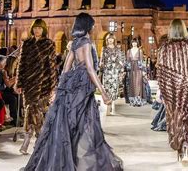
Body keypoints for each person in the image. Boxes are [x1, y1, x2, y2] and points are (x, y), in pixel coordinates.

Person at [24, 13, 123, 170]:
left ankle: (68, 161)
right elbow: (90, 69)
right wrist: (103, 92)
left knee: (67, 125)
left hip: (71, 87)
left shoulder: (75, 43)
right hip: (82, 87)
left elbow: (65, 68)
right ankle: (78, 163)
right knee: (86, 125)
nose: (93, 27)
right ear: (86, 26)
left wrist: (59, 89)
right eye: (92, 24)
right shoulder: (86, 43)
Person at [157, 19, 188, 165]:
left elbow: (161, 72)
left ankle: (179, 147)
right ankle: (185, 147)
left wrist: (160, 91)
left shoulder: (164, 48)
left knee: (175, 118)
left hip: (171, 89)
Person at [15, 19, 58, 154]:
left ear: (43, 29)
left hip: (43, 83)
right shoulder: (26, 44)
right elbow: (21, 65)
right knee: (31, 109)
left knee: (36, 110)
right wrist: (19, 83)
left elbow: (51, 66)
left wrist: (52, 86)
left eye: (39, 28)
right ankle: (39, 139)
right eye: (35, 28)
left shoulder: (49, 44)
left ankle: (29, 140)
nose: (37, 30)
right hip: (28, 83)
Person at [99, 33, 125, 115]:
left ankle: (110, 106)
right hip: (107, 71)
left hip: (114, 72)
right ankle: (108, 108)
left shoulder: (117, 49)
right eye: (109, 39)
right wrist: (101, 68)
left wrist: (121, 70)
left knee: (113, 89)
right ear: (107, 40)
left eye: (112, 38)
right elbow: (101, 60)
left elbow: (120, 60)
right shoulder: (104, 49)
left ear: (114, 39)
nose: (110, 40)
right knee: (107, 89)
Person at [126, 38, 147, 107]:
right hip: (131, 70)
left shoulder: (139, 51)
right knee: (132, 85)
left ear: (137, 43)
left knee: (138, 85)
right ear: (131, 43)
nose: (134, 43)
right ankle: (133, 101)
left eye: (135, 42)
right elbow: (127, 61)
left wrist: (143, 71)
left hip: (138, 69)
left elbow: (141, 61)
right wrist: (127, 70)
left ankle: (138, 101)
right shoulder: (128, 51)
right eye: (133, 42)